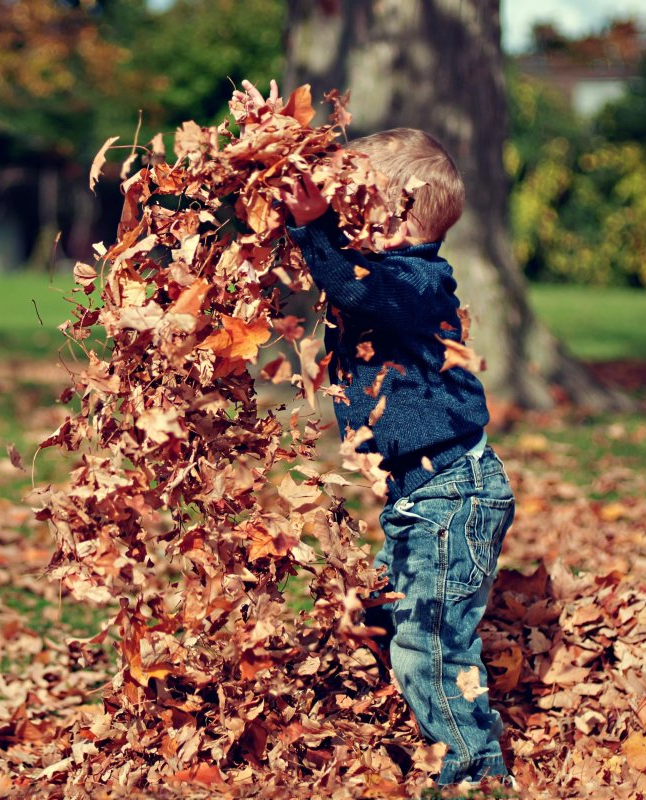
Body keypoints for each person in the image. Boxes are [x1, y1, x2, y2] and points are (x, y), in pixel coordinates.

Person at [237, 80, 516, 788]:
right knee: (392, 618)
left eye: (354, 202)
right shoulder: (382, 272)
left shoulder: (418, 282)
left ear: (393, 219)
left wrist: (314, 228)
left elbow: (355, 286)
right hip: (422, 495)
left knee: (428, 640)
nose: (341, 214)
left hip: (453, 494)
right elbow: (342, 278)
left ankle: (475, 772)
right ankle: (442, 722)